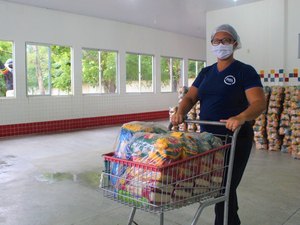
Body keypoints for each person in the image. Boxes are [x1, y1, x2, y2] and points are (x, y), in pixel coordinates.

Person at [171, 24, 266, 225]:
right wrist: (180, 111)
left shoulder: (244, 71)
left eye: (226, 40)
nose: (221, 44)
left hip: (235, 139)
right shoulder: (206, 73)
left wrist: (241, 117)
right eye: (216, 41)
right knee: (220, 187)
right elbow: (189, 98)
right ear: (212, 44)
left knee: (225, 186)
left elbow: (259, 103)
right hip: (209, 141)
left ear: (235, 44)